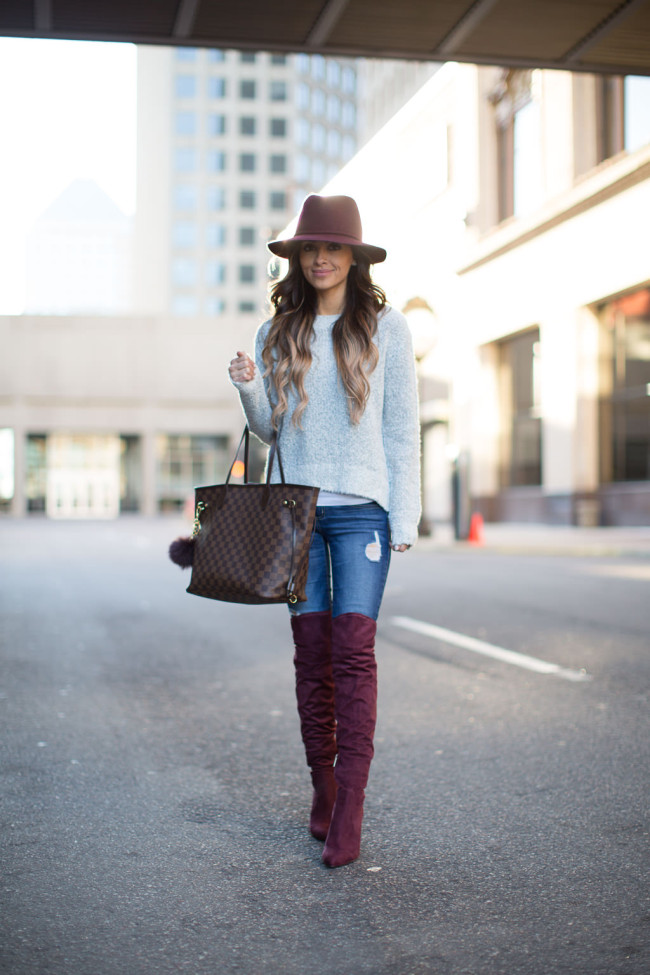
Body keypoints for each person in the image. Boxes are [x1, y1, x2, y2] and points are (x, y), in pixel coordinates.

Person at [229, 194, 420, 868]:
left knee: (353, 652)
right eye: (309, 248)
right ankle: (324, 784)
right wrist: (250, 388)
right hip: (297, 510)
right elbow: (269, 430)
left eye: (331, 248)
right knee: (311, 654)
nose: (318, 258)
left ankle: (353, 805)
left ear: (354, 258)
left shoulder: (387, 329)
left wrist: (408, 514)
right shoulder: (275, 332)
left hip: (364, 510)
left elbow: (401, 428)